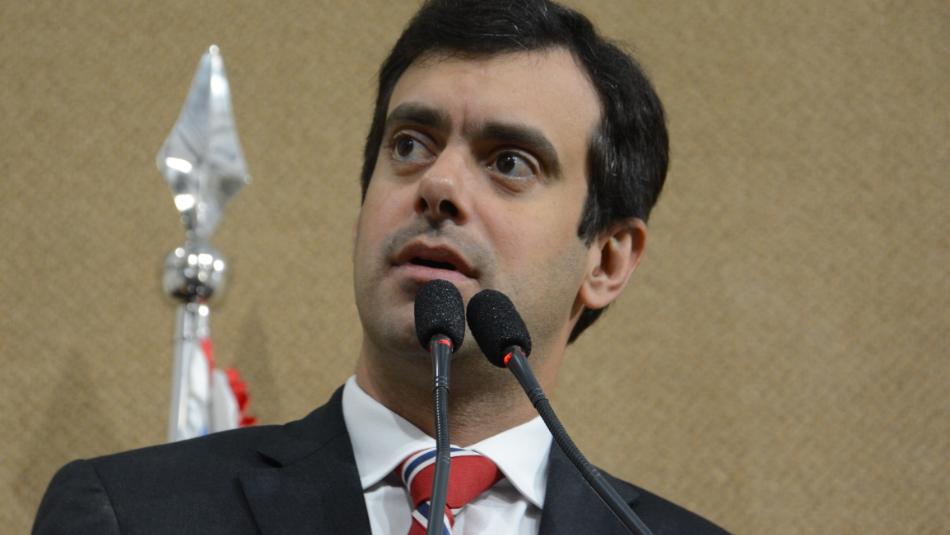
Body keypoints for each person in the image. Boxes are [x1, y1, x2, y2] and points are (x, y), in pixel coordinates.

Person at [33, 1, 729, 533]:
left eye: (509, 162)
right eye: (410, 145)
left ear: (606, 259)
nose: (439, 184)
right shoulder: (131, 512)